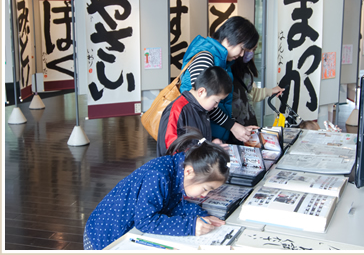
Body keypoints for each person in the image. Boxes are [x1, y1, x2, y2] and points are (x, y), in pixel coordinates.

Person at [83, 130, 230, 250]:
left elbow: (172, 204)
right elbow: (145, 221)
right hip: (103, 237)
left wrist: (201, 215)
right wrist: (190, 226)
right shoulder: (159, 176)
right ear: (189, 172)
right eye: (205, 188)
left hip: (123, 231)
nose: (205, 195)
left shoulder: (178, 167)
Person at [179, 16, 283, 143]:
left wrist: (236, 127)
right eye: (243, 49)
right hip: (201, 138)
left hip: (213, 136)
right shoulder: (206, 58)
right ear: (231, 38)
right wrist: (233, 126)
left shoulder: (221, 60)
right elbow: (201, 102)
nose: (241, 55)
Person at [157, 66, 231, 157]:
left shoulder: (201, 109)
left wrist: (211, 145)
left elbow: (196, 142)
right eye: (216, 101)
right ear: (201, 92)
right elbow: (170, 151)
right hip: (182, 169)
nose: (216, 106)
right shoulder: (177, 110)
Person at [231, 55, 284, 127]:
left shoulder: (245, 66)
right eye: (251, 48)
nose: (251, 53)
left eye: (254, 49)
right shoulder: (225, 69)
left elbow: (249, 94)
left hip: (249, 122)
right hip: (236, 127)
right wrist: (232, 126)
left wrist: (271, 91)